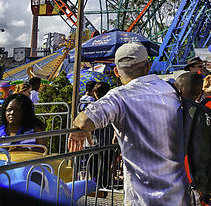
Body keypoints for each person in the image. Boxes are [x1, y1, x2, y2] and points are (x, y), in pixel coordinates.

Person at [68, 42, 191, 206]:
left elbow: (84, 121)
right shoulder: (171, 90)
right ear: (147, 66)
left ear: (116, 72)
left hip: (142, 198)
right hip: (180, 195)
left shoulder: (119, 96)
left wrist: (80, 128)